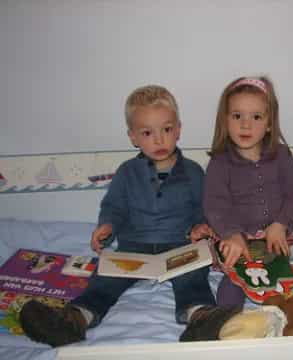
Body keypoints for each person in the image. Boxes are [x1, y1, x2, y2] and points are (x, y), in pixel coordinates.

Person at [19, 85, 216, 347]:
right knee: (105, 277)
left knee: (193, 275)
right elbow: (115, 207)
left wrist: (200, 227)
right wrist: (107, 226)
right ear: (133, 137)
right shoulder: (126, 172)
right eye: (147, 133)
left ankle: (200, 317)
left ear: (178, 129)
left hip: (179, 244)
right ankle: (75, 319)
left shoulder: (193, 172)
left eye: (166, 129)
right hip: (133, 246)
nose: (158, 140)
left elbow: (201, 209)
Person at [203, 76, 293, 308]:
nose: (245, 125)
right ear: (225, 120)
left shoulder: (281, 155)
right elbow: (215, 205)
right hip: (236, 238)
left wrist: (280, 223)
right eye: (237, 116)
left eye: (256, 117)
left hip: (274, 237)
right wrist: (232, 233)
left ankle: (285, 319)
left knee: (282, 279)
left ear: (269, 123)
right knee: (235, 281)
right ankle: (225, 319)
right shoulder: (220, 162)